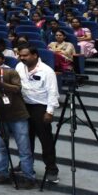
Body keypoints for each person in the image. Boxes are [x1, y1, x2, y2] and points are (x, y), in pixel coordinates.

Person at [0, 62, 37, 188]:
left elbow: (17, 88)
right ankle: (2, 174)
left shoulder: (10, 72)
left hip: (17, 115)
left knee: (24, 148)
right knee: (0, 147)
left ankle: (29, 177)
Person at [16, 45, 60, 183]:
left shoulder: (47, 71)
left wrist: (50, 112)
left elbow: (53, 93)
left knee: (45, 140)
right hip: (24, 106)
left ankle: (52, 169)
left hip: (41, 108)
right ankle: (26, 164)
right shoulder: (19, 66)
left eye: (25, 55)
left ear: (35, 55)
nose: (21, 58)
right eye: (20, 55)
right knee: (25, 139)